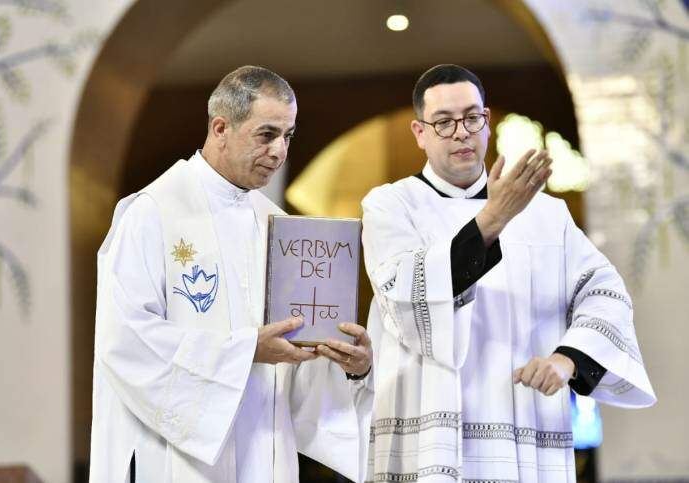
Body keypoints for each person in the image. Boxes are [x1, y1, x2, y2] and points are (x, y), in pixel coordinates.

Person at [361, 64, 655, 482]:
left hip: (526, 427)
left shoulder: (547, 214)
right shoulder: (391, 206)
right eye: (443, 122)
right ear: (420, 132)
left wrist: (568, 359)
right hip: (428, 434)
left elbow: (605, 293)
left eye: (472, 117)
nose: (461, 133)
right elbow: (403, 300)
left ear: (486, 120)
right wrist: (493, 218)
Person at [89, 66, 373, 483]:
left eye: (288, 136)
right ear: (220, 127)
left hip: (265, 453)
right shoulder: (153, 212)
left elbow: (295, 367)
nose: (279, 151)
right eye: (266, 134)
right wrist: (246, 350)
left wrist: (348, 365)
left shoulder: (280, 227)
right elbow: (125, 340)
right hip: (180, 460)